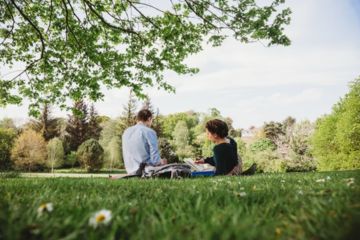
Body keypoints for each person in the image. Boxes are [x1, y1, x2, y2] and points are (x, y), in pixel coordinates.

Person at [122, 109, 167, 174]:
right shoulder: (149, 132)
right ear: (149, 119)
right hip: (145, 171)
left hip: (130, 171)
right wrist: (161, 161)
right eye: (152, 120)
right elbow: (155, 161)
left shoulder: (126, 132)